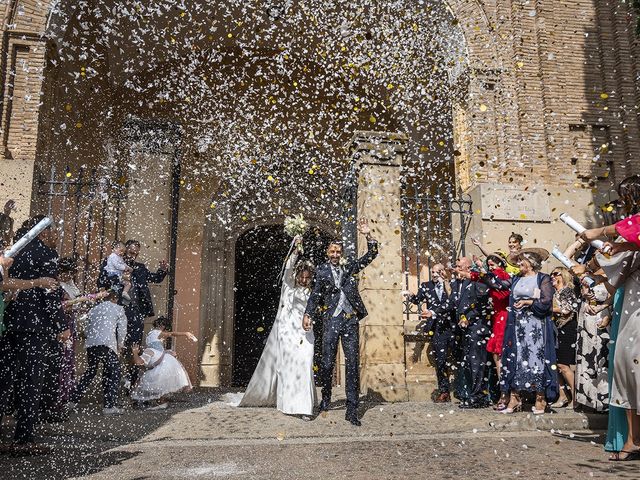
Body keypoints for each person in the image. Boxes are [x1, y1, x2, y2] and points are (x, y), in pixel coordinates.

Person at [573, 174, 640, 460]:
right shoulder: (631, 242)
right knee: (626, 365)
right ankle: (633, 439)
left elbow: (632, 231)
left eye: (628, 199)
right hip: (631, 306)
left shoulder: (632, 228)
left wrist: (596, 232)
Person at [0, 216, 67, 455]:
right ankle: (23, 440)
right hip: (34, 327)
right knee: (31, 383)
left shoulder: (11, 253)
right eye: (53, 232)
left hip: (9, 323)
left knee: (5, 380)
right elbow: (50, 294)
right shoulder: (46, 255)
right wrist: (61, 325)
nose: (56, 236)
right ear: (42, 233)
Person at [303, 219, 378, 426]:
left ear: (342, 253)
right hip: (331, 320)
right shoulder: (321, 271)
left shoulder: (350, 266)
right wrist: (308, 314)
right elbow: (315, 296)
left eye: (338, 252)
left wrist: (368, 235)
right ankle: (326, 397)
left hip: (350, 320)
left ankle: (352, 408)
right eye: (332, 252)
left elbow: (370, 256)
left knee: (352, 362)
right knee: (327, 363)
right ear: (328, 253)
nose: (335, 255)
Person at [240, 236, 316, 416]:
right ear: (296, 275)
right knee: (290, 367)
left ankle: (305, 406)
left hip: (306, 332)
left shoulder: (312, 290)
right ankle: (291, 405)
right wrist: (297, 248)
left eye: (307, 277)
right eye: (301, 276)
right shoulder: (289, 286)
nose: (304, 280)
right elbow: (289, 266)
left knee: (305, 364)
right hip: (288, 331)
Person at [479, 249, 558, 415]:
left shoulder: (542, 278)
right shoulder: (515, 279)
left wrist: (528, 301)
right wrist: (482, 273)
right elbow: (499, 285)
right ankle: (514, 398)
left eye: (521, 261)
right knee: (515, 358)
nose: (518, 264)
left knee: (536, 358)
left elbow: (546, 301)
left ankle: (540, 397)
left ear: (530, 263)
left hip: (536, 326)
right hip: (517, 326)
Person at [117, 240, 168, 389]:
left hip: (136, 312)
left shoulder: (140, 268)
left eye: (136, 252)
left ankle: (132, 385)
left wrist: (162, 270)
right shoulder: (116, 265)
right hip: (120, 311)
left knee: (135, 348)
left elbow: (155, 278)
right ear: (125, 250)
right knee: (118, 347)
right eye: (131, 251)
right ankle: (117, 382)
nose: (133, 254)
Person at [67, 288, 127, 415]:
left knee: (90, 372)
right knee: (114, 373)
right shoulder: (118, 309)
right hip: (108, 344)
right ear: (114, 298)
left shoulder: (94, 309)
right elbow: (122, 329)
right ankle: (109, 406)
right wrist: (120, 346)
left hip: (92, 344)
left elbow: (87, 329)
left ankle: (72, 401)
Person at [403, 263, 456, 403]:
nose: (434, 274)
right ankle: (444, 391)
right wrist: (411, 296)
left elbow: (452, 303)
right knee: (440, 360)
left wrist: (446, 284)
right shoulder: (426, 286)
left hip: (453, 326)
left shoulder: (450, 285)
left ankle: (461, 389)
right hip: (437, 328)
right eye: (432, 272)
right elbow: (418, 300)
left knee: (459, 357)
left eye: (437, 272)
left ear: (443, 272)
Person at [466, 253, 511, 409]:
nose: (491, 267)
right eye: (489, 265)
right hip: (498, 317)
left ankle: (506, 395)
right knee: (497, 355)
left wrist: (481, 268)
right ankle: (504, 393)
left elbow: (494, 282)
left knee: (499, 355)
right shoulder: (493, 276)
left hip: (504, 317)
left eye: (493, 265)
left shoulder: (502, 276)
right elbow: (477, 277)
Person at [450, 257, 491, 408]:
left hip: (478, 328)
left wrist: (468, 317)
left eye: (460, 267)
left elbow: (482, 304)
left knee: (477, 364)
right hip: (467, 329)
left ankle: (479, 397)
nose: (457, 269)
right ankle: (473, 394)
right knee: (470, 363)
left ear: (468, 268)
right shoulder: (459, 284)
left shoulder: (476, 281)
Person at [131, 316, 196, 409]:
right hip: (160, 356)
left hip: (159, 356)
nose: (165, 331)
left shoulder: (150, 334)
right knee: (160, 380)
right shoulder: (157, 333)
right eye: (164, 328)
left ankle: (160, 401)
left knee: (158, 380)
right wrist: (185, 333)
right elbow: (172, 334)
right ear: (162, 326)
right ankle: (161, 401)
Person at [575, 280, 611, 412]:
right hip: (587, 316)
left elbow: (615, 295)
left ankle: (604, 400)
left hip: (605, 315)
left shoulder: (612, 271)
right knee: (588, 359)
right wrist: (584, 293)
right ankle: (589, 400)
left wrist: (609, 313)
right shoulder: (587, 275)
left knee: (603, 358)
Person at [550, 267, 579, 408]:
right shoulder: (555, 292)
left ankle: (575, 397)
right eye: (552, 274)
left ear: (564, 275)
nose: (552, 277)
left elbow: (567, 310)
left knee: (564, 365)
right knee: (556, 364)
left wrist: (547, 308)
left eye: (556, 274)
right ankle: (562, 396)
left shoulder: (567, 291)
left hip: (567, 329)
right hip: (556, 329)